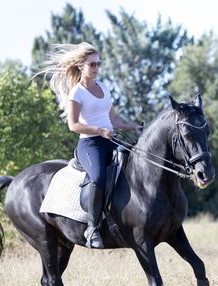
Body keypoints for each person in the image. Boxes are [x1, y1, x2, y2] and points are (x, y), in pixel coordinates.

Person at [35, 42, 141, 248]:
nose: (96, 68)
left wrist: (134, 127)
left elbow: (114, 119)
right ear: (81, 66)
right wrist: (99, 130)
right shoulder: (77, 93)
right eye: (92, 64)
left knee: (130, 169)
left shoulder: (104, 87)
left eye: (98, 64)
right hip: (89, 144)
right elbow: (73, 125)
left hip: (109, 140)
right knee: (99, 177)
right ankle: (92, 227)